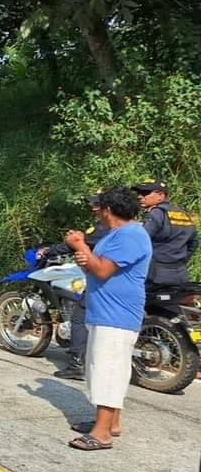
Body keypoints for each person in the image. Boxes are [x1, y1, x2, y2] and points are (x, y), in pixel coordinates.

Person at [64, 186, 151, 451]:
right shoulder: (118, 235)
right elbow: (96, 264)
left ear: (109, 210)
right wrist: (85, 258)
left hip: (117, 315)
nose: (96, 211)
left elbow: (102, 270)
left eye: (99, 207)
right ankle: (109, 422)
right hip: (105, 311)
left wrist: (79, 244)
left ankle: (102, 434)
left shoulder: (130, 235)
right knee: (104, 369)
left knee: (108, 371)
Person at [38, 192, 110, 381]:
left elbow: (75, 245)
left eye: (97, 204)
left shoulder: (103, 228)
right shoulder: (135, 228)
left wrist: (49, 250)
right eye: (92, 203)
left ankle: (77, 364)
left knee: (79, 318)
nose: (93, 207)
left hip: (103, 281)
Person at [133, 179, 197, 287]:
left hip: (156, 275)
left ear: (160, 195)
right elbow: (194, 243)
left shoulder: (156, 213)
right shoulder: (183, 214)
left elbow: (140, 240)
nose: (139, 197)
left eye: (145, 193)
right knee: (174, 302)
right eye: (138, 193)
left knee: (150, 303)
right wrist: (180, 260)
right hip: (180, 274)